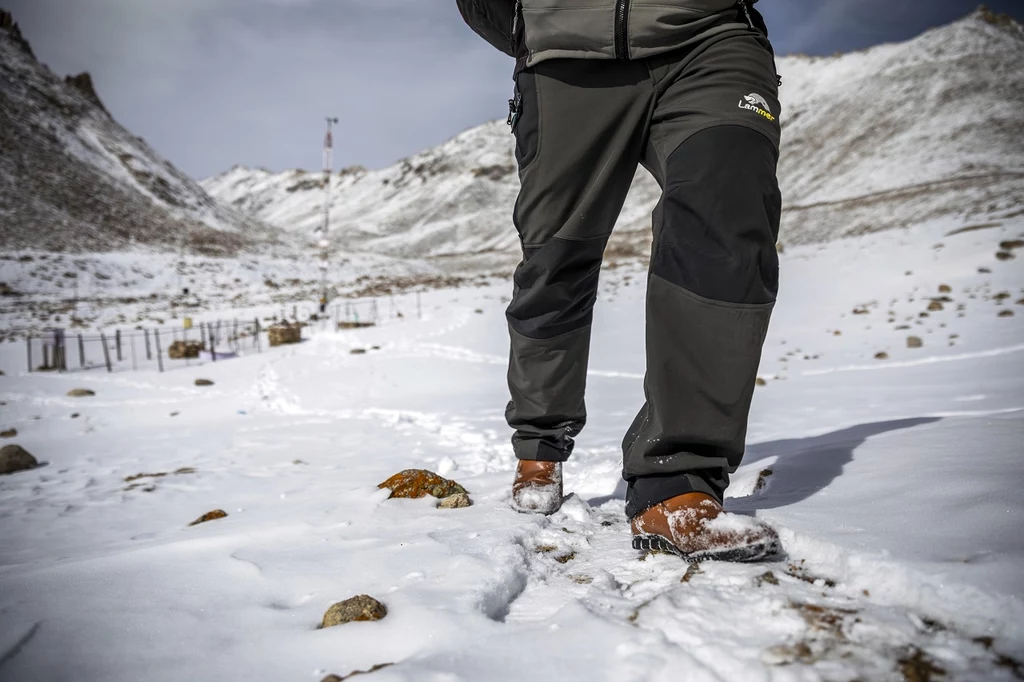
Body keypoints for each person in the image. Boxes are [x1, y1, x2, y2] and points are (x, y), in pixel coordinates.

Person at [456, 0, 782, 562]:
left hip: (712, 36)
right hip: (566, 53)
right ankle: (539, 444)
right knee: (556, 259)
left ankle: (678, 480)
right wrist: (531, 23)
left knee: (728, 213)